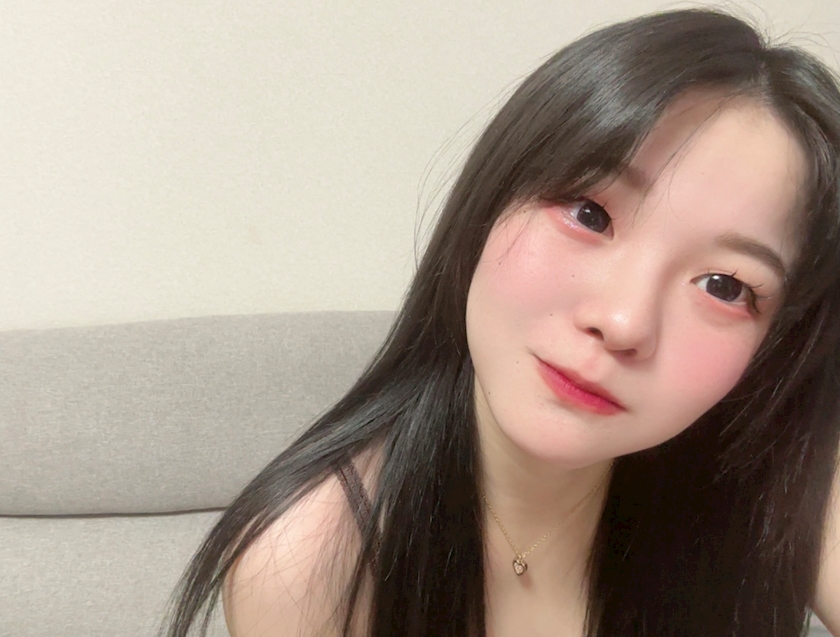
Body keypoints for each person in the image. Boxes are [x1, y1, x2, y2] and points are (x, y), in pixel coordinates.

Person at [162, 8, 840, 637]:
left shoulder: (758, 503)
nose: (623, 320)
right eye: (590, 214)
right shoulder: (314, 559)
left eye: (724, 286)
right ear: (489, 202)